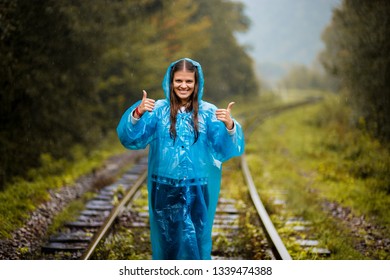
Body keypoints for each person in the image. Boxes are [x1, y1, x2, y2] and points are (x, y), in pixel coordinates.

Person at [116, 58, 244, 260]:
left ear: (196, 84)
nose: (183, 86)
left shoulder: (209, 113)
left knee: (198, 241)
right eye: (178, 81)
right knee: (168, 244)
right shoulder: (157, 110)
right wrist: (137, 113)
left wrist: (229, 126)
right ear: (170, 82)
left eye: (189, 81)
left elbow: (223, 149)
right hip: (165, 187)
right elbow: (131, 139)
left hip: (197, 187)